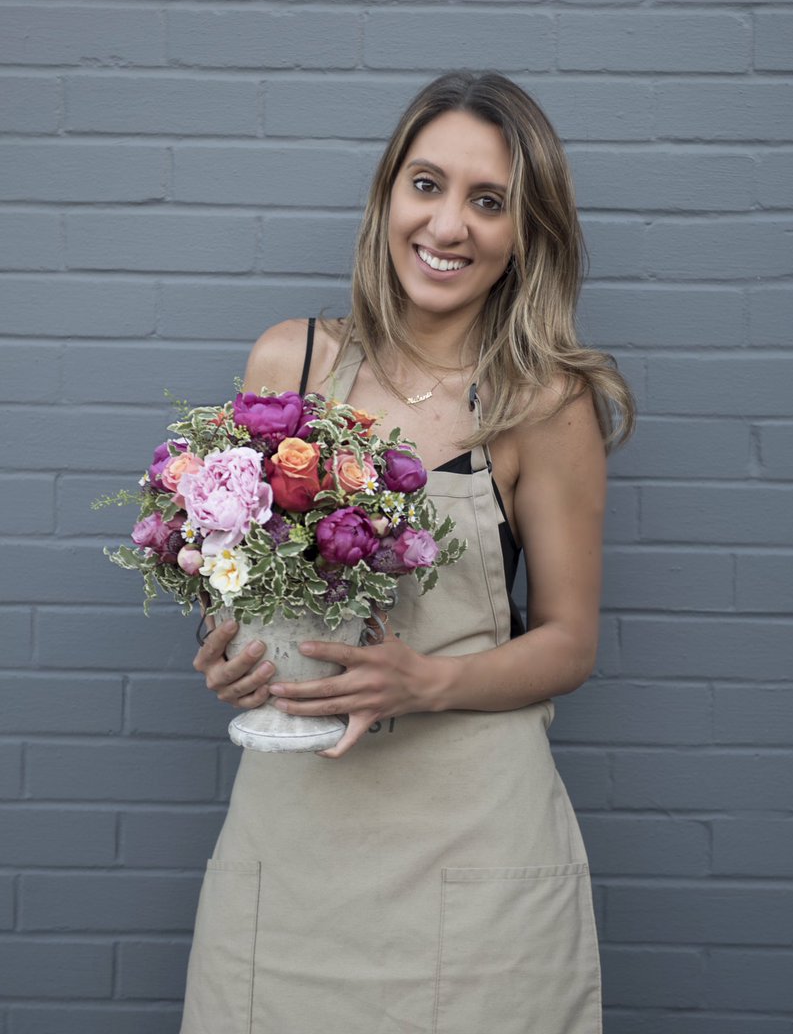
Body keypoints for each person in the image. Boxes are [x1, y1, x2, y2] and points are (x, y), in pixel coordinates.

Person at [180, 70, 634, 1034]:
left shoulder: (543, 402)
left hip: (471, 853)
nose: (448, 226)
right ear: (388, 194)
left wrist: (421, 682)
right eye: (426, 185)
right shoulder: (289, 365)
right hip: (293, 835)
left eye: (488, 201)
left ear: (524, 233)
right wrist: (230, 640)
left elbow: (569, 640)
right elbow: (242, 575)